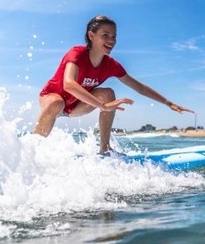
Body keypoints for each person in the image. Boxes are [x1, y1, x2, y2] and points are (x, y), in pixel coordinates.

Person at [34, 15, 194, 155]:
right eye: (105, 35)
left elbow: (139, 87)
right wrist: (102, 105)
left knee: (108, 93)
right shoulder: (77, 53)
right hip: (52, 99)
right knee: (57, 102)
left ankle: (105, 149)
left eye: (114, 36)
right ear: (91, 35)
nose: (111, 41)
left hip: (76, 106)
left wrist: (168, 103)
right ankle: (32, 150)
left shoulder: (111, 65)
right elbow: (69, 84)